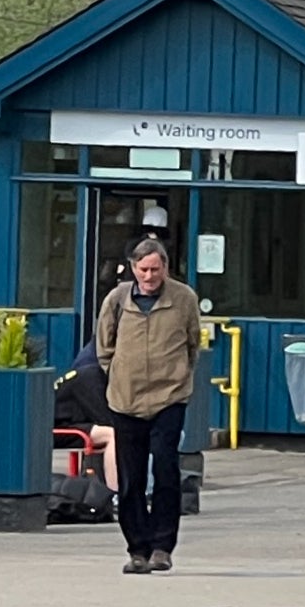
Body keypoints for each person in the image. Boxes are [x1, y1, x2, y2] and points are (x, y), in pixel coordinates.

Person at [95, 237, 200, 573]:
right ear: (133, 268)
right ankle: (137, 550)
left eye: (156, 269)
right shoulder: (116, 299)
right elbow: (103, 347)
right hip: (125, 399)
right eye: (144, 269)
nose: (150, 276)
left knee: (166, 469)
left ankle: (162, 547)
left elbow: (193, 344)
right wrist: (118, 374)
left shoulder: (184, 299)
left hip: (169, 397)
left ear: (166, 267)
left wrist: (178, 377)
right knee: (131, 478)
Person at [51, 351, 121, 520]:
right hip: (57, 429)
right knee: (112, 434)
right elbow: (104, 418)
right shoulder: (90, 379)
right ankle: (114, 494)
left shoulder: (94, 374)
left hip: (72, 424)